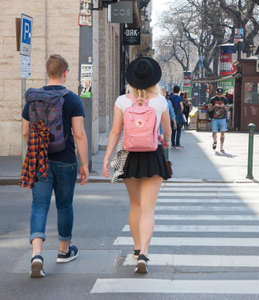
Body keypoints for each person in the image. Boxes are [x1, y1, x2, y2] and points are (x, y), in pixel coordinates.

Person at [21, 54, 89, 278]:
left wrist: (38, 149)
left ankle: (37, 254)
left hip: (40, 160)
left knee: (39, 205)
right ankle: (63, 250)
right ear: (65, 73)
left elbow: (25, 131)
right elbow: (78, 133)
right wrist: (85, 164)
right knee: (64, 205)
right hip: (66, 158)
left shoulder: (33, 98)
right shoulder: (72, 99)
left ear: (47, 72)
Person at [102, 57, 171, 274]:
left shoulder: (122, 101)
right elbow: (167, 131)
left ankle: (136, 248)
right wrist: (166, 142)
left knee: (135, 205)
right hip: (153, 154)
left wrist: (107, 159)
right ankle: (144, 253)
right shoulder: (160, 102)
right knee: (148, 208)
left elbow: (115, 132)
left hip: (128, 155)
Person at [209, 88, 229, 153]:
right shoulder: (212, 99)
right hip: (215, 119)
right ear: (216, 93)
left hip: (223, 119)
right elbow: (209, 109)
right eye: (218, 94)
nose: (219, 95)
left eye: (220, 94)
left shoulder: (225, 99)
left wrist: (224, 106)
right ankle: (215, 141)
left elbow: (228, 109)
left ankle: (221, 147)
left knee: (222, 133)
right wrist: (214, 106)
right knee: (214, 133)